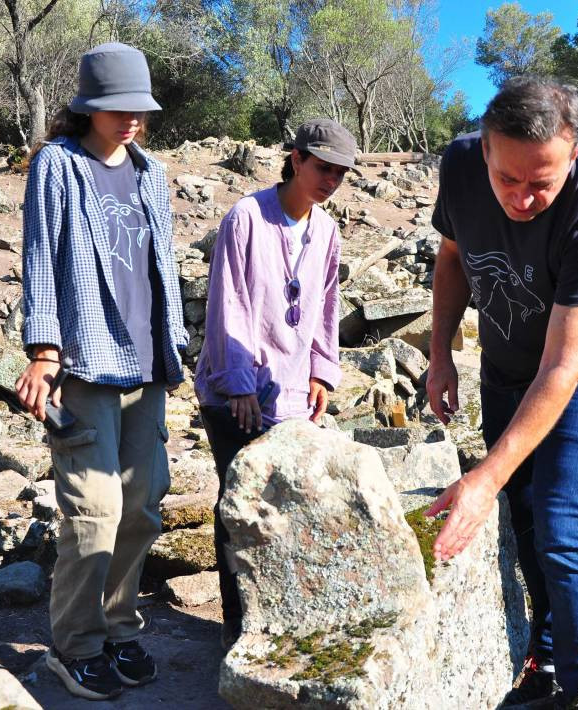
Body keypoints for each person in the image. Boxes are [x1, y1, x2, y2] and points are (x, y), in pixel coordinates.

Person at [423, 77, 578, 707]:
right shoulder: (460, 163)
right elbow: (452, 258)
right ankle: (545, 652)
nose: (522, 198)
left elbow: (563, 368)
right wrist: (440, 354)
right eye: (507, 179)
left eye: (541, 182)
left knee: (562, 526)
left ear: (574, 152)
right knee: (520, 517)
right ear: (486, 148)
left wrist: (483, 478)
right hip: (506, 364)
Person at [14, 42, 188, 701]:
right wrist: (44, 350)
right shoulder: (57, 165)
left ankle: (117, 627)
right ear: (88, 108)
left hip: (146, 366)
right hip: (85, 363)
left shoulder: (152, 173)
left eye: (140, 110)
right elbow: (40, 258)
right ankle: (76, 646)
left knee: (140, 507)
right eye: (119, 110)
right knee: (95, 511)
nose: (132, 120)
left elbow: (162, 266)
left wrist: (174, 345)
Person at [194, 118, 351, 649]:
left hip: (291, 391)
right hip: (235, 388)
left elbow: (326, 305)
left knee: (287, 506)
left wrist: (321, 371)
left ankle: (278, 619)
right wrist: (237, 383)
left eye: (340, 173)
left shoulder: (326, 230)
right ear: (296, 159)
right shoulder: (246, 217)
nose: (331, 181)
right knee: (240, 504)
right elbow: (228, 302)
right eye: (323, 168)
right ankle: (237, 624)